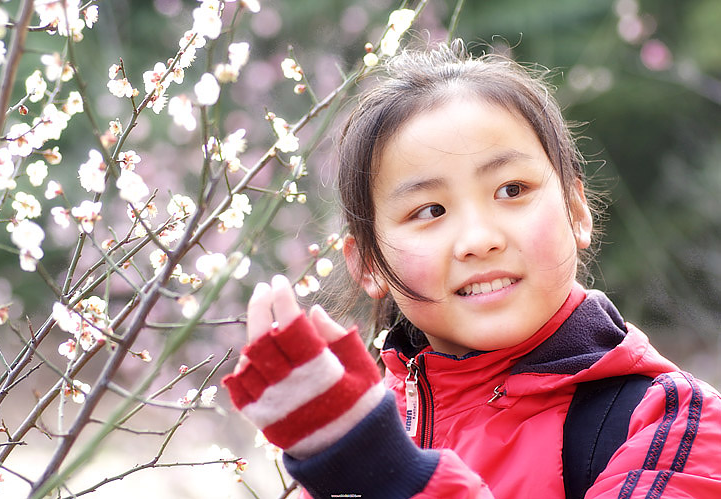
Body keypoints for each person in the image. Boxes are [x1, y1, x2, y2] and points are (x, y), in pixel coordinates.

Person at [222, 40, 721, 498]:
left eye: (512, 190)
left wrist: (382, 470)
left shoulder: (673, 427)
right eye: (430, 211)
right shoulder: (364, 438)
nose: (480, 240)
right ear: (369, 263)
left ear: (575, 210)